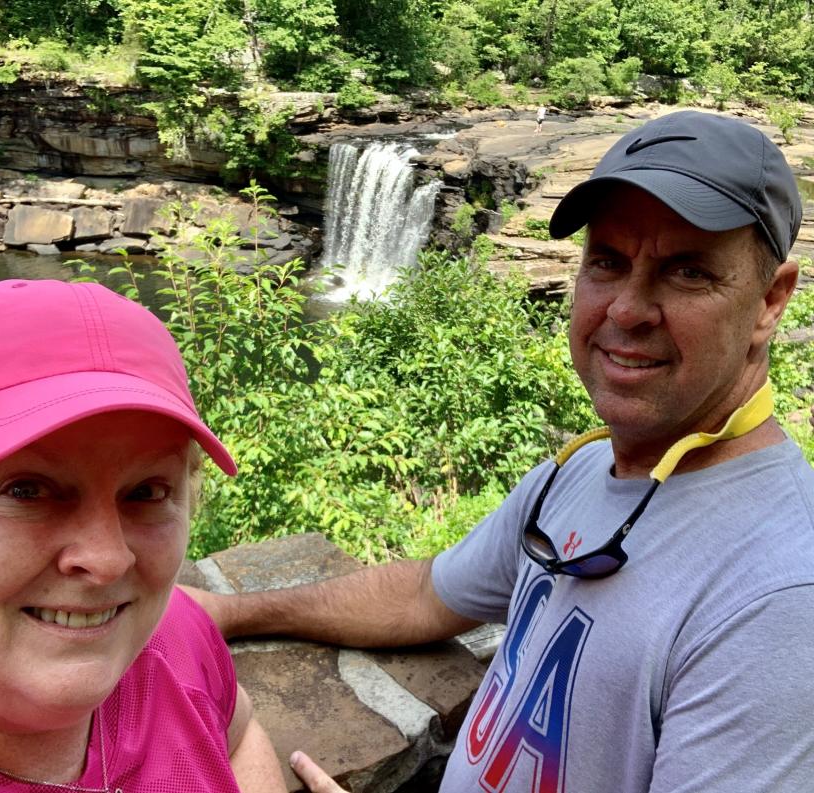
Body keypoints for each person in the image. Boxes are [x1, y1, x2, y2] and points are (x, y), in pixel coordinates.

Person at [188, 110, 814, 793]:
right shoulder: (580, 470)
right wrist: (229, 611)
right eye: (606, 261)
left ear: (770, 300)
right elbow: (428, 594)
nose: (628, 310)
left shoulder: (779, 594)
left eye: (688, 272)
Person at [0, 279, 288, 792]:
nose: (107, 560)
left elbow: (236, 738)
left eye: (147, 491)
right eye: (26, 490)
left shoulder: (174, 636)